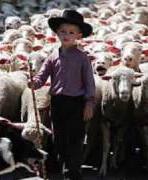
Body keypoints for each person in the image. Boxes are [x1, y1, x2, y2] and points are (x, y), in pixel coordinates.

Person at [28, 9, 95, 180]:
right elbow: (43, 74)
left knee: (75, 138)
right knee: (58, 138)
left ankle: (73, 172)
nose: (66, 35)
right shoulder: (53, 56)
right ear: (57, 33)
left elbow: (89, 82)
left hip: (76, 103)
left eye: (71, 32)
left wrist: (89, 103)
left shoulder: (82, 58)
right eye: (63, 32)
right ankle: (63, 165)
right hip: (57, 102)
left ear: (79, 35)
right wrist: (35, 83)